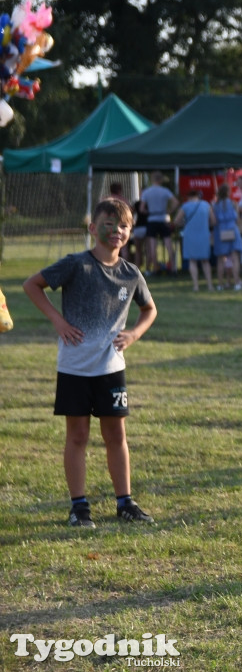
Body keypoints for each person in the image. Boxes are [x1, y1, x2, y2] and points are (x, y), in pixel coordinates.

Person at [22, 198, 158, 528]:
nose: (117, 231)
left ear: (130, 232)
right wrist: (58, 320)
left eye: (124, 225)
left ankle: (125, 502)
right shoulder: (76, 264)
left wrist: (134, 335)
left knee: (116, 436)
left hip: (111, 369)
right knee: (78, 436)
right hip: (74, 367)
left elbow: (149, 309)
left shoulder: (130, 273)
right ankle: (79, 507)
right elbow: (32, 285)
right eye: (109, 224)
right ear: (93, 228)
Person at [174, 190, 216, 292]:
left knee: (192, 261)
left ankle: (196, 286)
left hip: (190, 235)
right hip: (204, 235)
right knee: (205, 261)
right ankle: (210, 285)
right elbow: (213, 221)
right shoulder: (206, 205)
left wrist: (185, 224)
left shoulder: (185, 206)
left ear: (189, 196)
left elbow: (176, 221)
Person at [138, 171, 179, 275]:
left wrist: (149, 211)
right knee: (168, 244)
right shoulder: (165, 191)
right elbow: (176, 202)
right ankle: (173, 268)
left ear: (152, 180)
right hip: (164, 218)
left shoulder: (147, 192)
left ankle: (156, 268)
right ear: (161, 180)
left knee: (152, 245)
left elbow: (141, 209)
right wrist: (169, 211)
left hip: (152, 219)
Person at [212, 184, 242, 291]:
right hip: (233, 231)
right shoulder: (234, 204)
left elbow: (213, 221)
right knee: (235, 258)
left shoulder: (214, 205)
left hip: (220, 232)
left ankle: (220, 284)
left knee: (221, 259)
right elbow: (238, 219)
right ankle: (236, 282)